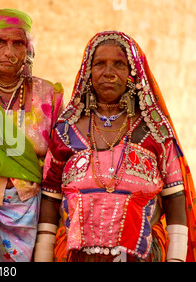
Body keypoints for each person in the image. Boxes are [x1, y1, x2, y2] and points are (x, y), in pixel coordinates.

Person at [37, 30, 196, 262]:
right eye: (100, 64)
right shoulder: (65, 133)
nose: (109, 73)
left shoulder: (156, 134)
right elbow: (50, 200)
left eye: (119, 65)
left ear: (132, 73)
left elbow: (175, 201)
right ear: (88, 73)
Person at [0, 9, 64, 262]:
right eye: (0, 42)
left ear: (28, 50)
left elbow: (60, 159)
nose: (9, 52)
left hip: (37, 210)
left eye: (18, 43)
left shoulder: (48, 95)